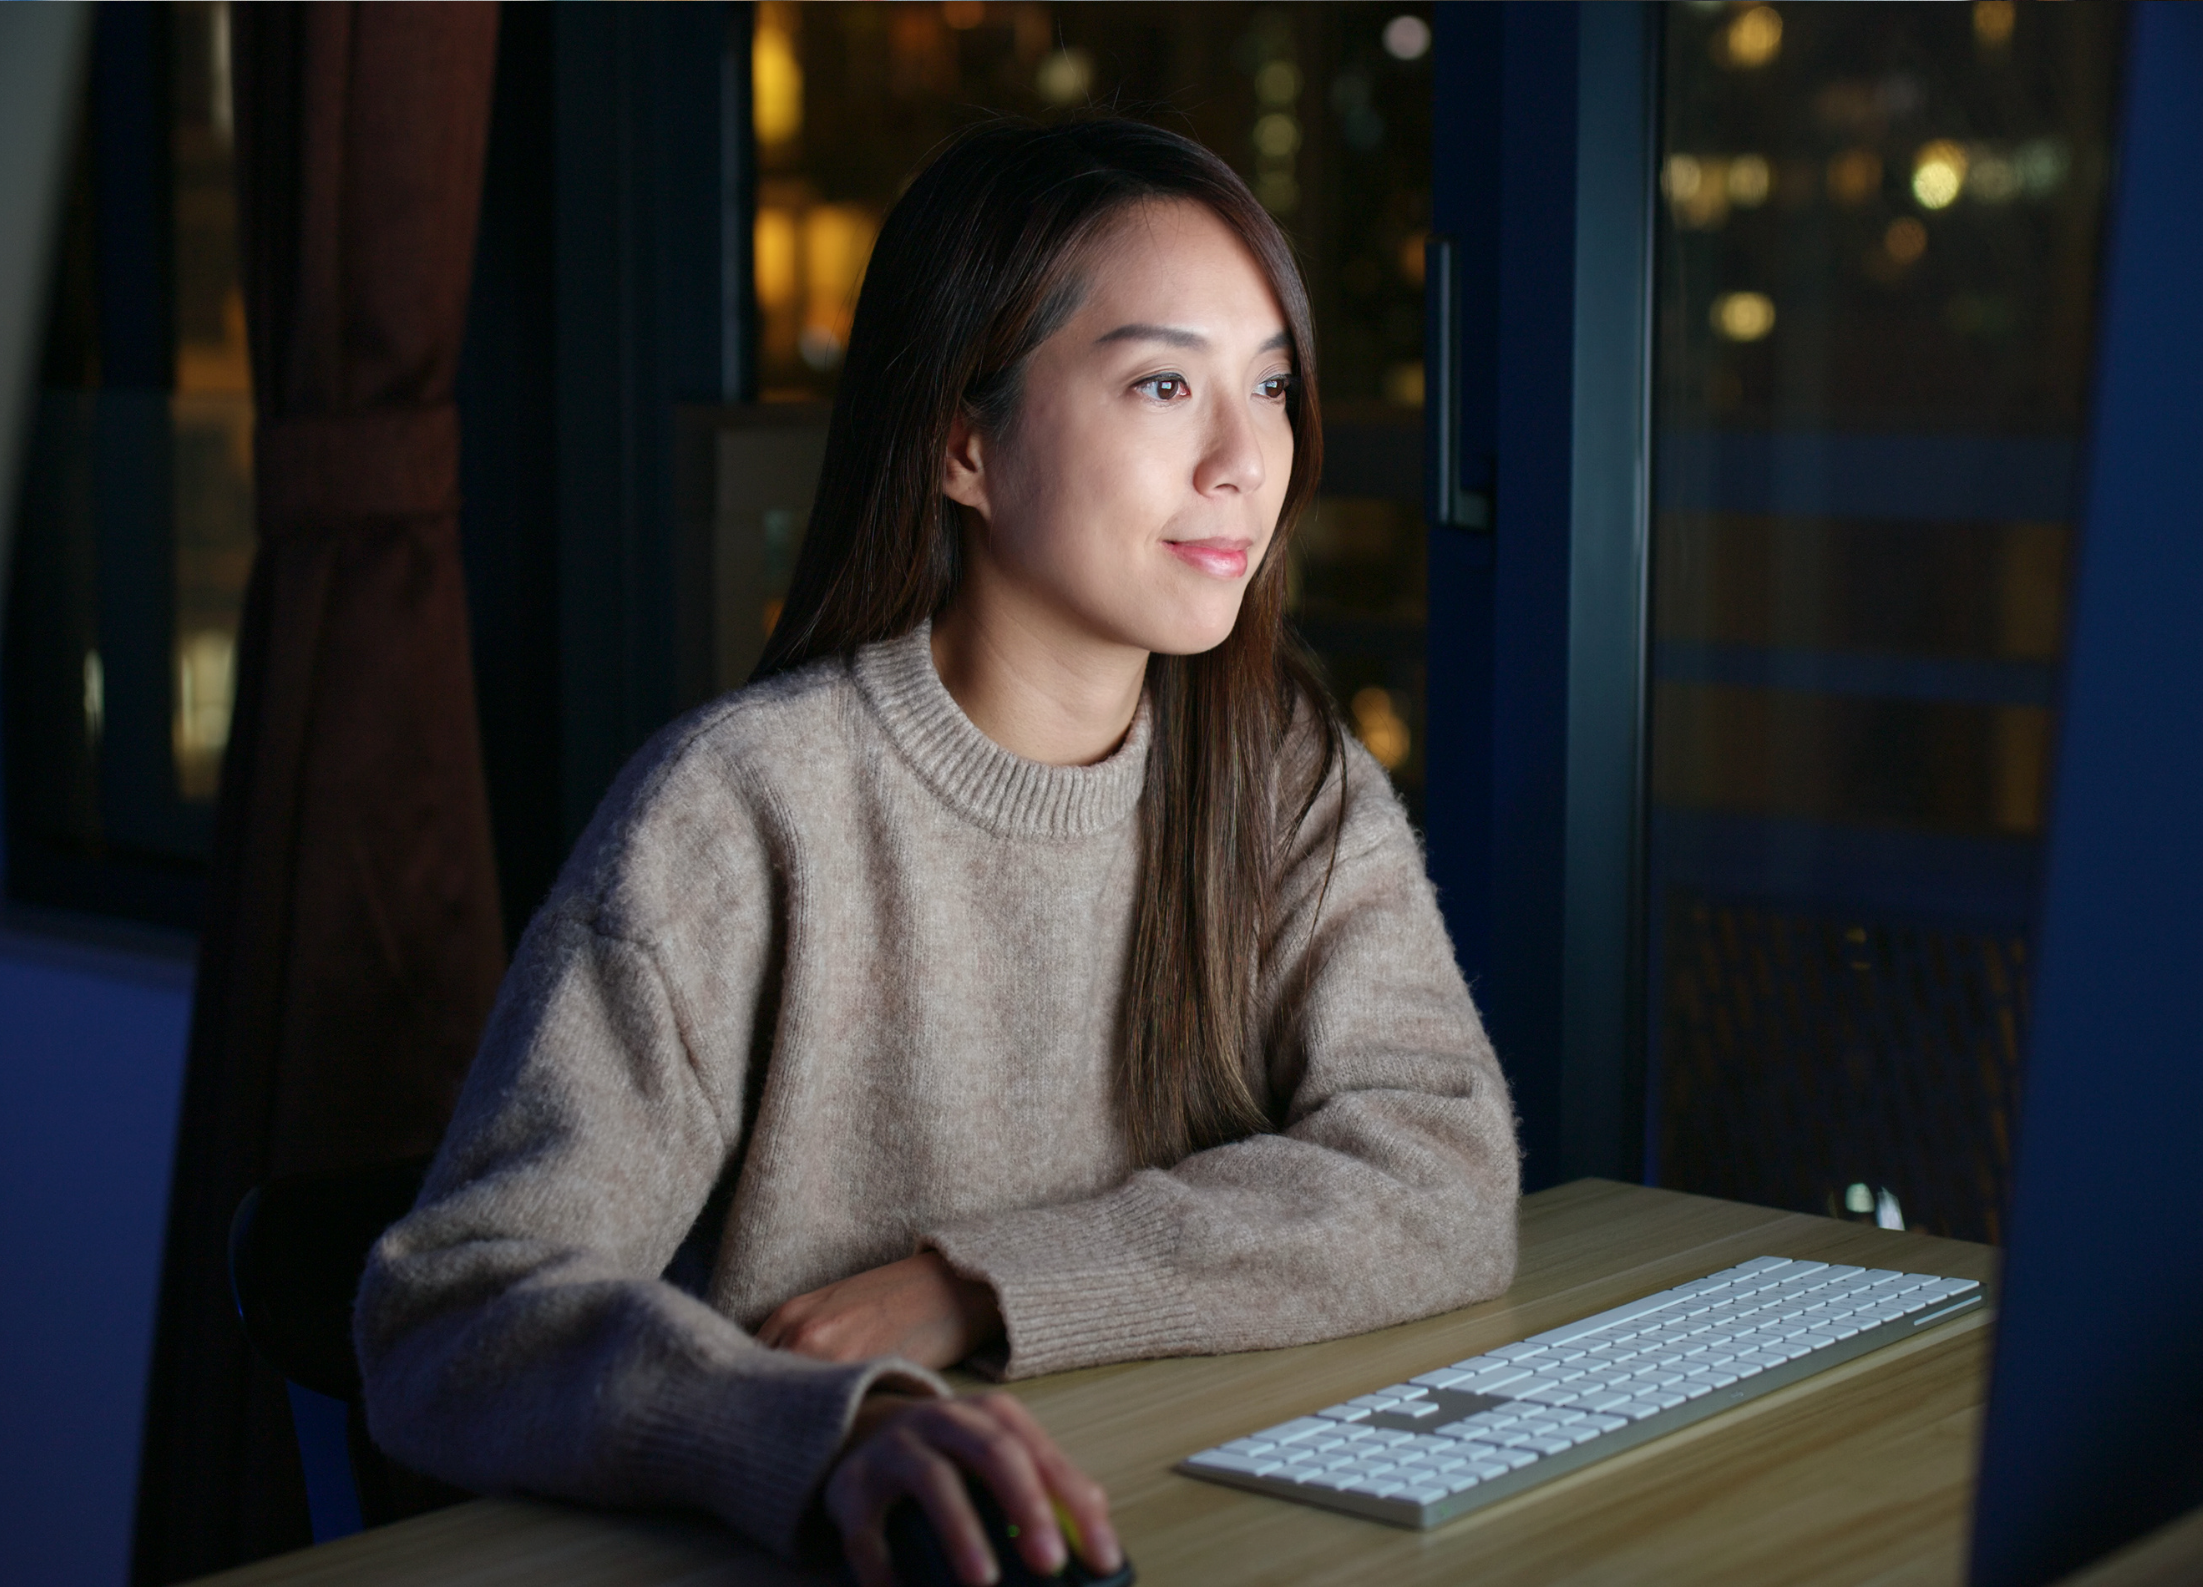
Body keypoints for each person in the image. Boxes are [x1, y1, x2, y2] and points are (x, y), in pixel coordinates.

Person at [356, 118, 1519, 1587]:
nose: (1247, 461)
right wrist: (820, 1427)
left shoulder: (1281, 774)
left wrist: (975, 1288)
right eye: (1165, 384)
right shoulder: (741, 811)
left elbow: (1443, 1171)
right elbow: (454, 1313)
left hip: (1168, 1520)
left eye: (1272, 386)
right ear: (963, 444)